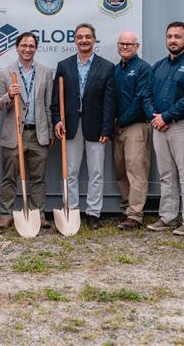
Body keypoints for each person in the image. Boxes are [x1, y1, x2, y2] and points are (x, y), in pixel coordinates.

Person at [51, 23, 116, 231]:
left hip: (96, 125)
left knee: (96, 171)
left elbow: (109, 101)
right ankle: (71, 210)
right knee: (70, 171)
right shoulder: (64, 65)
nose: (84, 40)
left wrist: (107, 128)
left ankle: (93, 213)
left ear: (94, 40)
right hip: (70, 124)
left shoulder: (106, 67)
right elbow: (55, 99)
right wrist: (57, 120)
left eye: (88, 37)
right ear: (75, 40)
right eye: (80, 37)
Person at [143, 21, 184, 235]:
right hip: (159, 126)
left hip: (183, 126)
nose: (173, 40)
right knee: (166, 174)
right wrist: (155, 117)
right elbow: (147, 94)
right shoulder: (158, 66)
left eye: (178, 36)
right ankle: (167, 216)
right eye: (170, 36)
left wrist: (167, 116)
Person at [0, 32, 53, 230]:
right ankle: (6, 214)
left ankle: (38, 213)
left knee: (38, 177)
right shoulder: (5, 72)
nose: (27, 49)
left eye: (31, 46)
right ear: (17, 47)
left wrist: (50, 132)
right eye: (24, 45)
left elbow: (48, 105)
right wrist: (9, 96)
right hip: (14, 134)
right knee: (9, 176)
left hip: (38, 133)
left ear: (36, 48)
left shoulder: (45, 72)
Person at [112, 31, 152, 230]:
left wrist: (122, 120)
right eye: (122, 43)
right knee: (121, 172)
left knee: (136, 171)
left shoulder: (143, 68)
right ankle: (127, 208)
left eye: (130, 44)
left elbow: (140, 99)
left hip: (135, 126)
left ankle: (135, 215)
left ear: (137, 47)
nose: (125, 47)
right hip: (117, 128)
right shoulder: (116, 69)